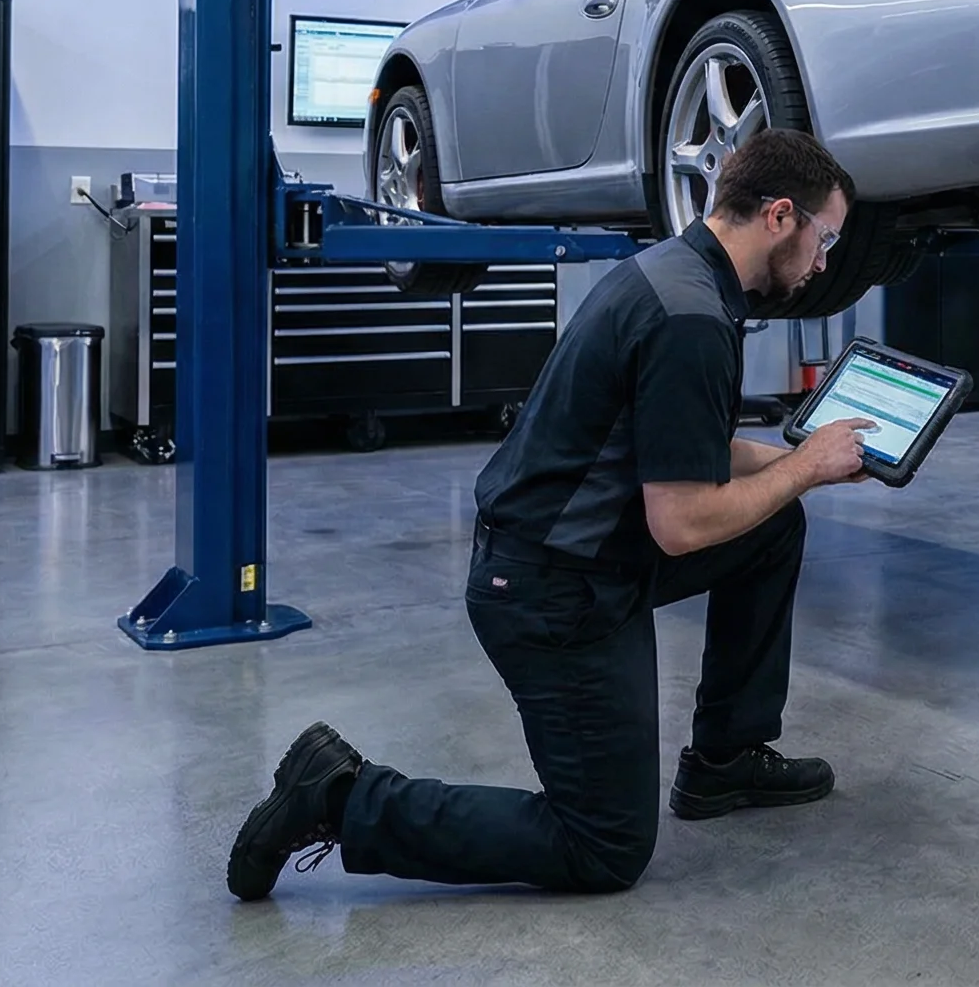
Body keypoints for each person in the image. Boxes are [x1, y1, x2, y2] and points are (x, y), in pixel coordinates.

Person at [225, 128, 877, 898]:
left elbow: (683, 446)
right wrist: (803, 466)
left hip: (573, 554)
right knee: (605, 846)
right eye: (825, 237)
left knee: (773, 526)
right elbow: (683, 523)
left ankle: (726, 761)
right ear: (779, 217)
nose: (826, 260)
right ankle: (339, 794)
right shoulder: (693, 321)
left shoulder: (672, 272)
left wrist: (811, 466)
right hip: (552, 592)